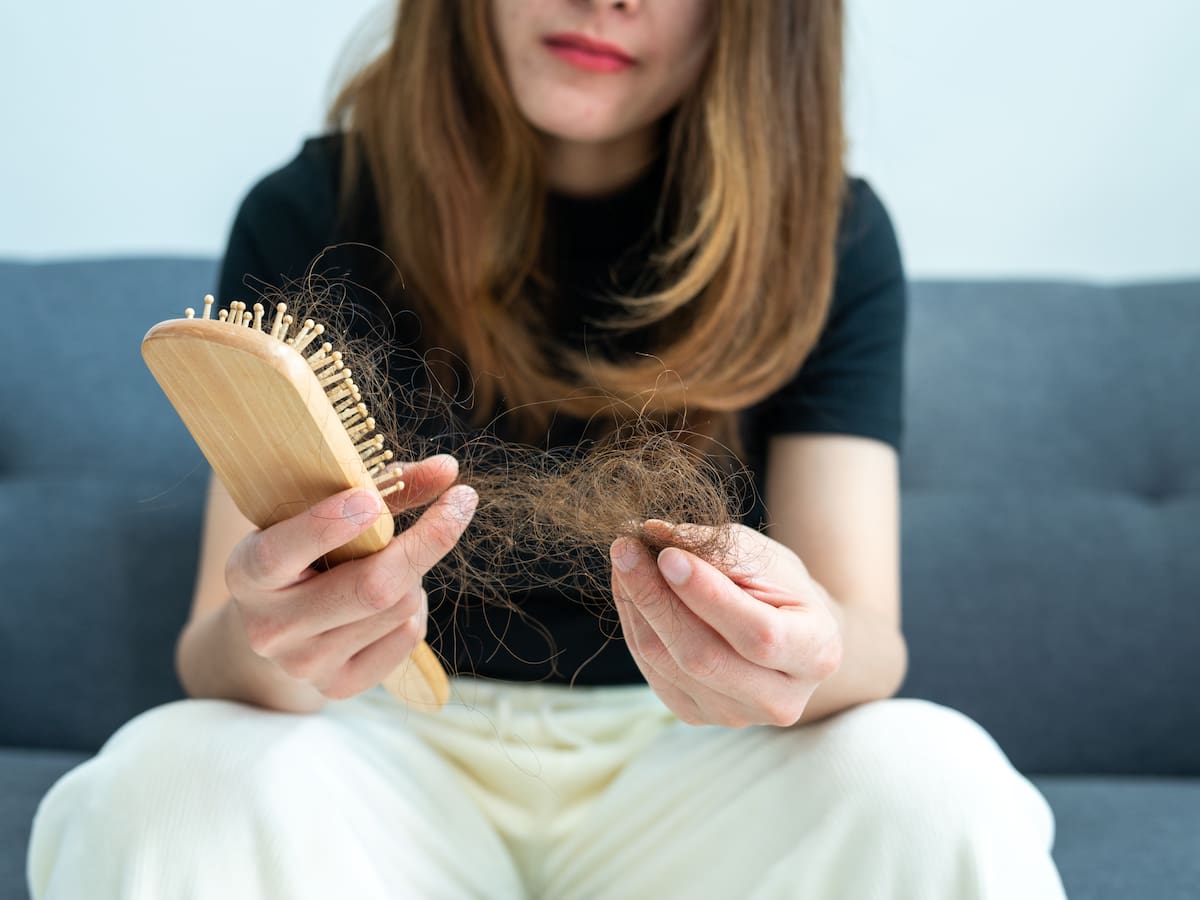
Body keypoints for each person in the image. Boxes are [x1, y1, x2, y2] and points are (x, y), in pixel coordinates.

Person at [28, 1, 1067, 897]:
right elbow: (214, 646)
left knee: (937, 777)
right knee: (160, 780)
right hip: (379, 764)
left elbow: (872, 643)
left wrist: (806, 641)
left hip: (697, 768)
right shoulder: (310, 211)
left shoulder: (829, 235)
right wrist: (279, 635)